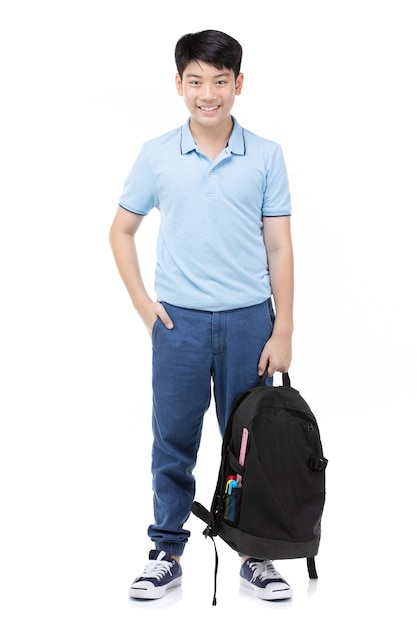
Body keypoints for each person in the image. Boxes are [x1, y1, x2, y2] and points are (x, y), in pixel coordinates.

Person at [109, 29, 294, 602]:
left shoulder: (265, 155)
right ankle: (166, 550)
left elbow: (279, 248)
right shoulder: (157, 154)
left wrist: (282, 326)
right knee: (174, 440)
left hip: (248, 322)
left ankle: (256, 554)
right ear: (179, 84)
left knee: (249, 442)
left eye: (220, 81)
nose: (207, 93)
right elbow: (121, 229)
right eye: (196, 80)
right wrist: (145, 305)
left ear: (238, 84)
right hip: (179, 326)